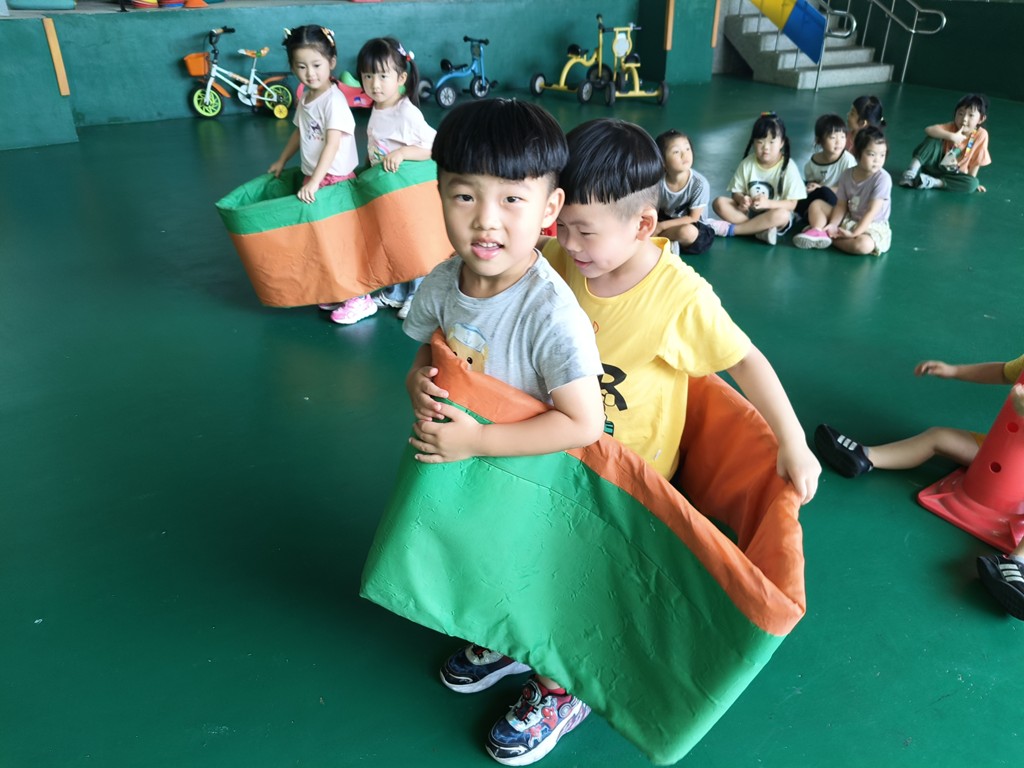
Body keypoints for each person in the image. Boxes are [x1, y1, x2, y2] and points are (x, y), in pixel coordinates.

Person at [402, 98, 606, 766]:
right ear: (439, 194)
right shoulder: (442, 282)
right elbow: (426, 353)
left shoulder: (551, 315)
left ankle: (560, 688)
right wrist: (418, 382)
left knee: (543, 583)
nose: (486, 219)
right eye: (464, 195)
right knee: (489, 564)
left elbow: (583, 422)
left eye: (513, 199)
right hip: (477, 475)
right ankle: (504, 639)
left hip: (539, 481)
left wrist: (477, 441)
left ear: (550, 208)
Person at [328, 36, 437, 325]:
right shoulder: (378, 106)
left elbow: (435, 146)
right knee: (393, 241)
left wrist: (403, 153)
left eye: (383, 76)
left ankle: (418, 295)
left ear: (401, 78)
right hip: (387, 192)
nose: (374, 84)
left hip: (406, 195)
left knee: (411, 243)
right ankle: (396, 292)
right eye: (367, 76)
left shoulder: (406, 113)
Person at [815, 355, 1024, 478]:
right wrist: (954, 370)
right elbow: (1003, 372)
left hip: (1017, 473)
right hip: (1001, 450)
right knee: (938, 437)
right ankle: (865, 457)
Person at [268, 26, 358, 203]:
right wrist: (282, 160)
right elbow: (300, 132)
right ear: (293, 68)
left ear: (331, 62)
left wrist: (315, 182)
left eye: (316, 65)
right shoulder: (305, 97)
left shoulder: (333, 101)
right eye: (302, 67)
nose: (310, 73)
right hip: (314, 175)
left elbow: (332, 144)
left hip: (334, 178)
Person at [792, 126, 892, 256]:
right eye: (871, 154)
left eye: (882, 155)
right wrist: (833, 225)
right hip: (850, 218)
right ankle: (820, 230)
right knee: (817, 205)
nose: (877, 160)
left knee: (863, 245)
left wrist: (854, 233)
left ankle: (826, 236)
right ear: (858, 152)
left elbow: (871, 212)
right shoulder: (847, 174)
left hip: (871, 225)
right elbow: (841, 205)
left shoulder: (883, 179)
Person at [711, 112, 806, 246]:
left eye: (772, 142)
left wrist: (767, 204)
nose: (765, 147)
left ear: (782, 143)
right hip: (749, 213)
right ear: (753, 142)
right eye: (760, 142)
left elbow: (792, 204)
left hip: (773, 216)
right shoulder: (747, 163)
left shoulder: (788, 166)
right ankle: (759, 231)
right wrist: (742, 199)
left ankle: (734, 230)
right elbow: (736, 192)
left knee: (783, 215)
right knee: (719, 202)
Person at [898, 93, 991, 193]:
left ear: (981, 119)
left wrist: (971, 179)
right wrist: (951, 136)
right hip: (933, 167)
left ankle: (931, 182)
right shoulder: (951, 126)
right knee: (933, 139)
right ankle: (910, 173)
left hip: (953, 174)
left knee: (973, 183)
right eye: (960, 113)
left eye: (971, 115)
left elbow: (977, 161)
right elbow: (929, 129)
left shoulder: (981, 135)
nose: (964, 119)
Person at [652, 130, 720, 256]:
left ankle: (661, 240)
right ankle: (667, 240)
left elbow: (693, 218)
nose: (685, 155)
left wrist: (661, 227)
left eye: (687, 149)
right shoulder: (657, 182)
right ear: (662, 161)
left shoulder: (699, 184)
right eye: (676, 152)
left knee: (688, 232)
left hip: (693, 224)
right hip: (665, 218)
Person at [794, 113, 856, 223]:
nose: (838, 142)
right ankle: (801, 215)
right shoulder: (812, 163)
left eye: (842, 137)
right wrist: (811, 187)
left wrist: (822, 187)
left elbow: (850, 189)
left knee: (824, 192)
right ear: (819, 140)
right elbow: (813, 185)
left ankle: (812, 218)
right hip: (820, 198)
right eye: (833, 137)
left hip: (840, 201)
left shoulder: (847, 160)